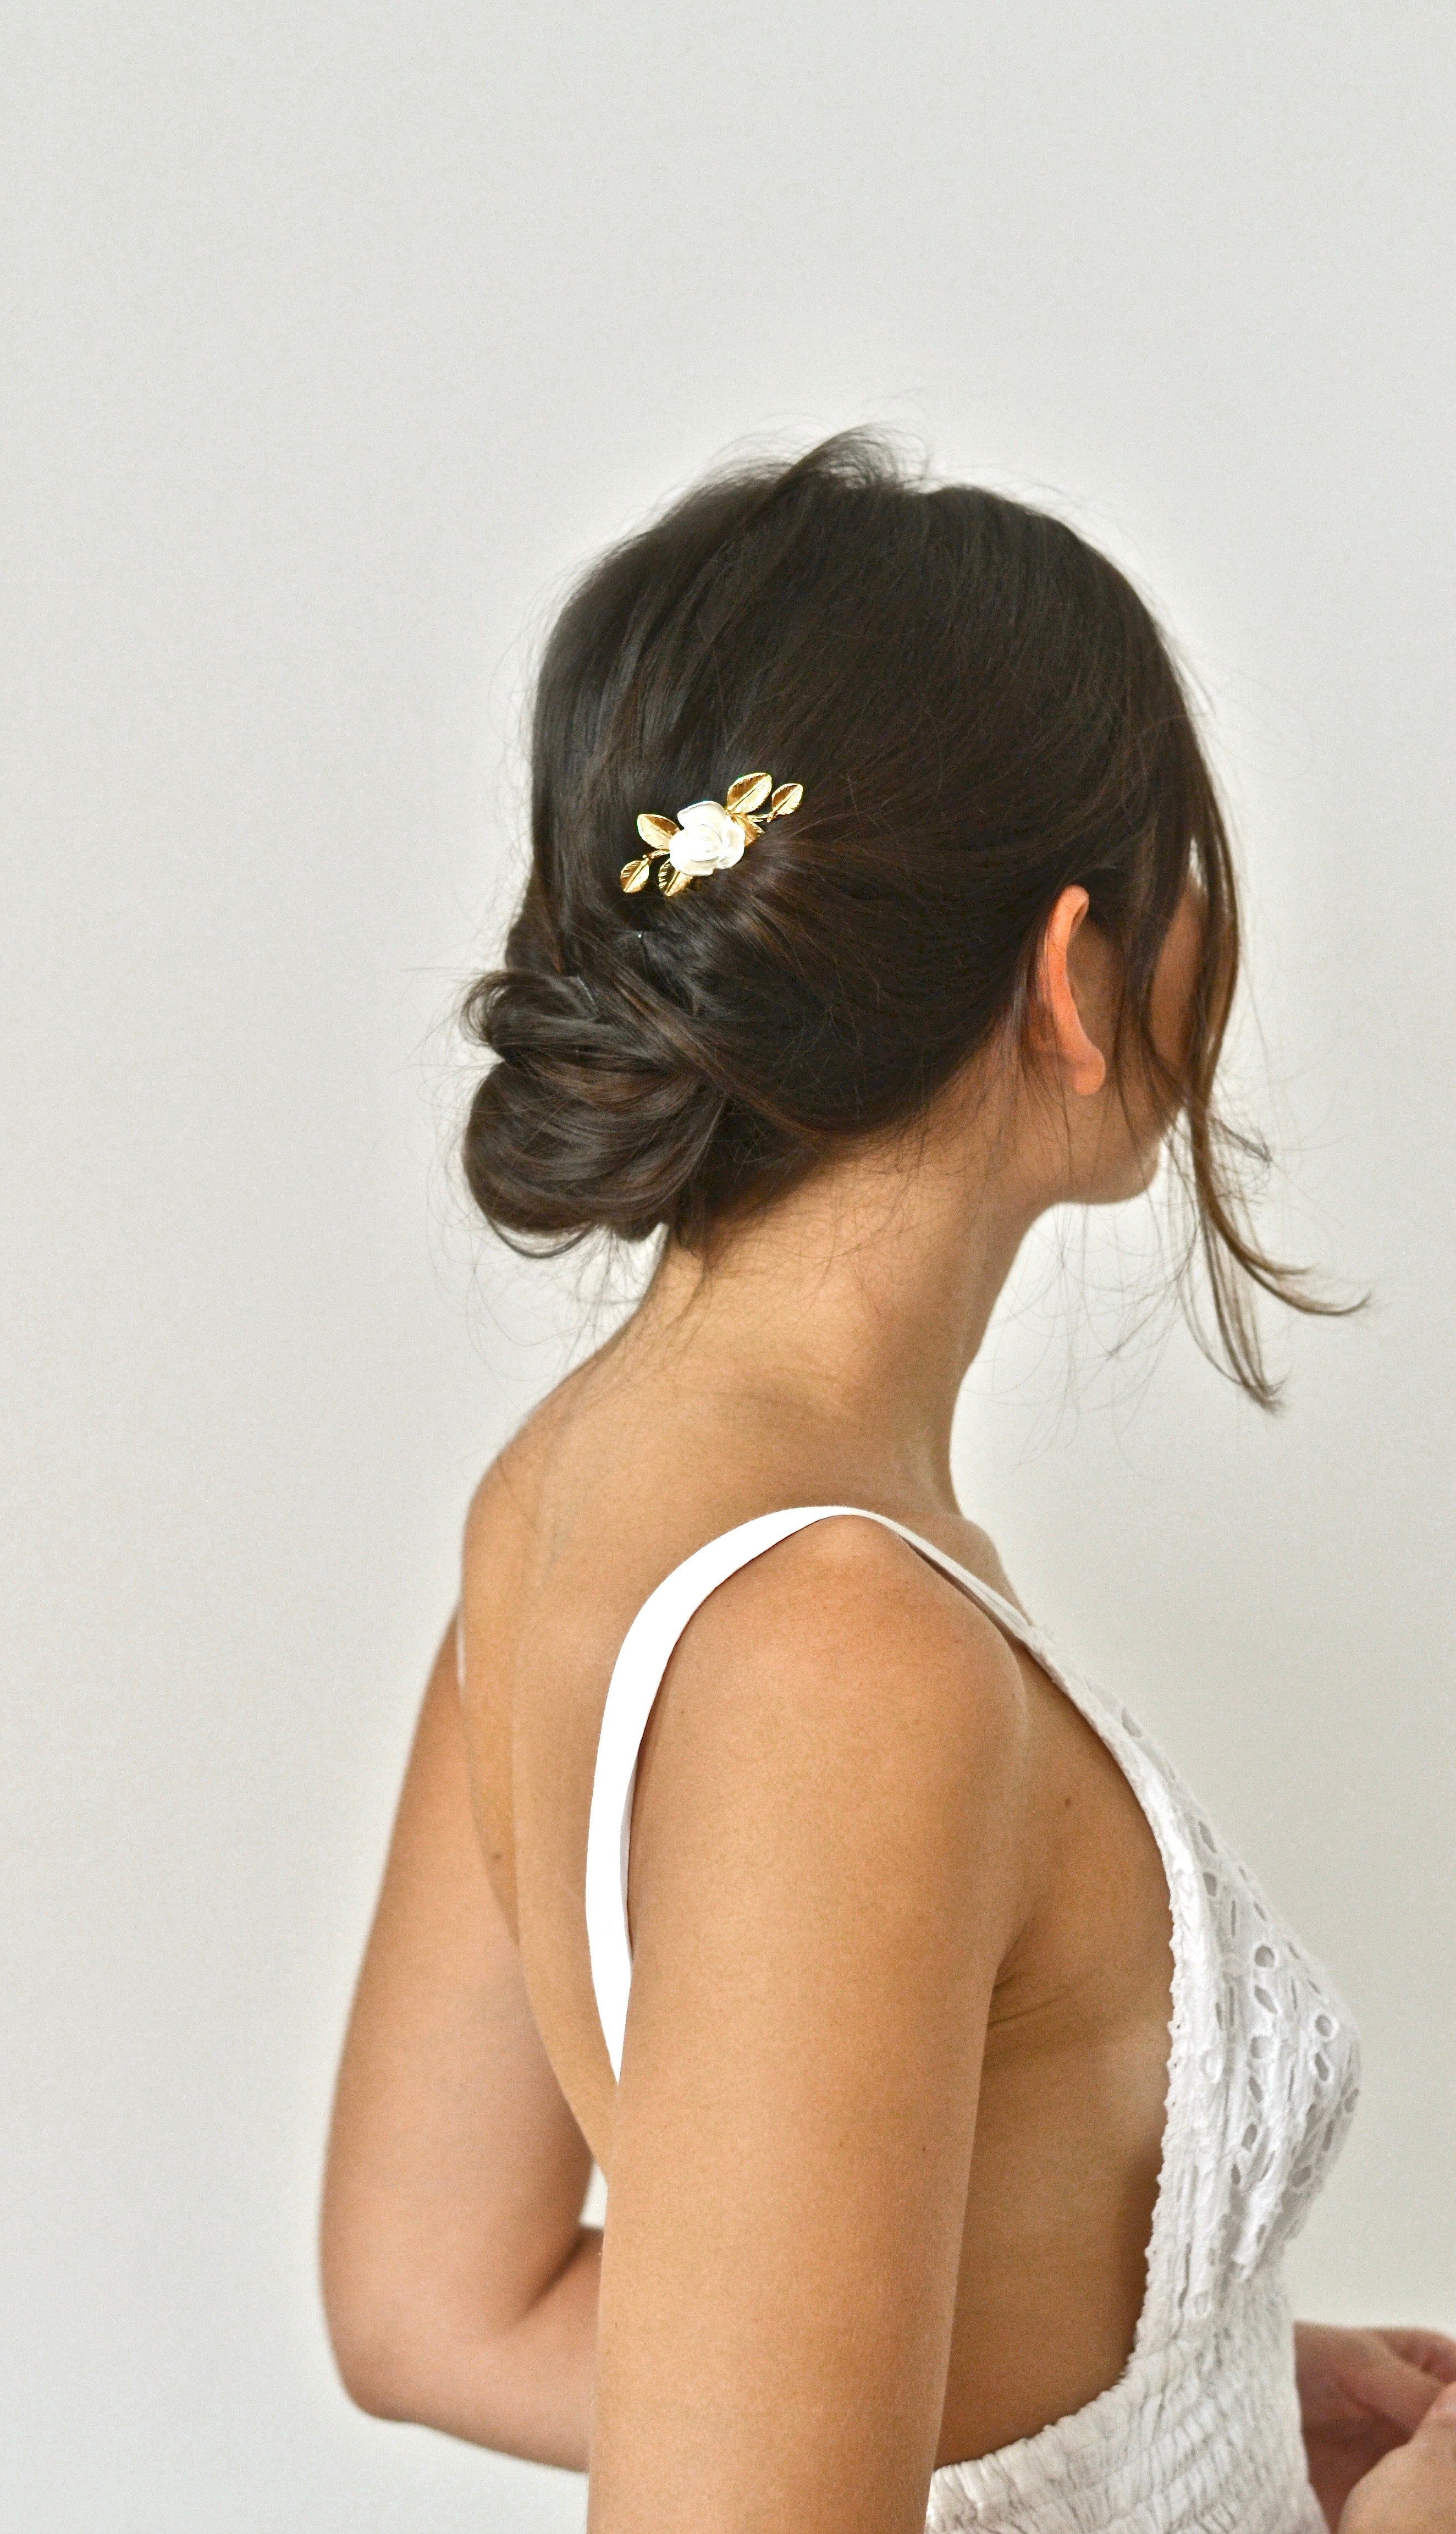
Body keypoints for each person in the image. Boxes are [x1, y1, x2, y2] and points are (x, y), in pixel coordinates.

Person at [321, 438, 1456, 2530]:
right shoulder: (845, 1656)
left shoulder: (564, 1506)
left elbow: (435, 2302)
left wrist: (1159, 2387)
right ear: (1073, 979)